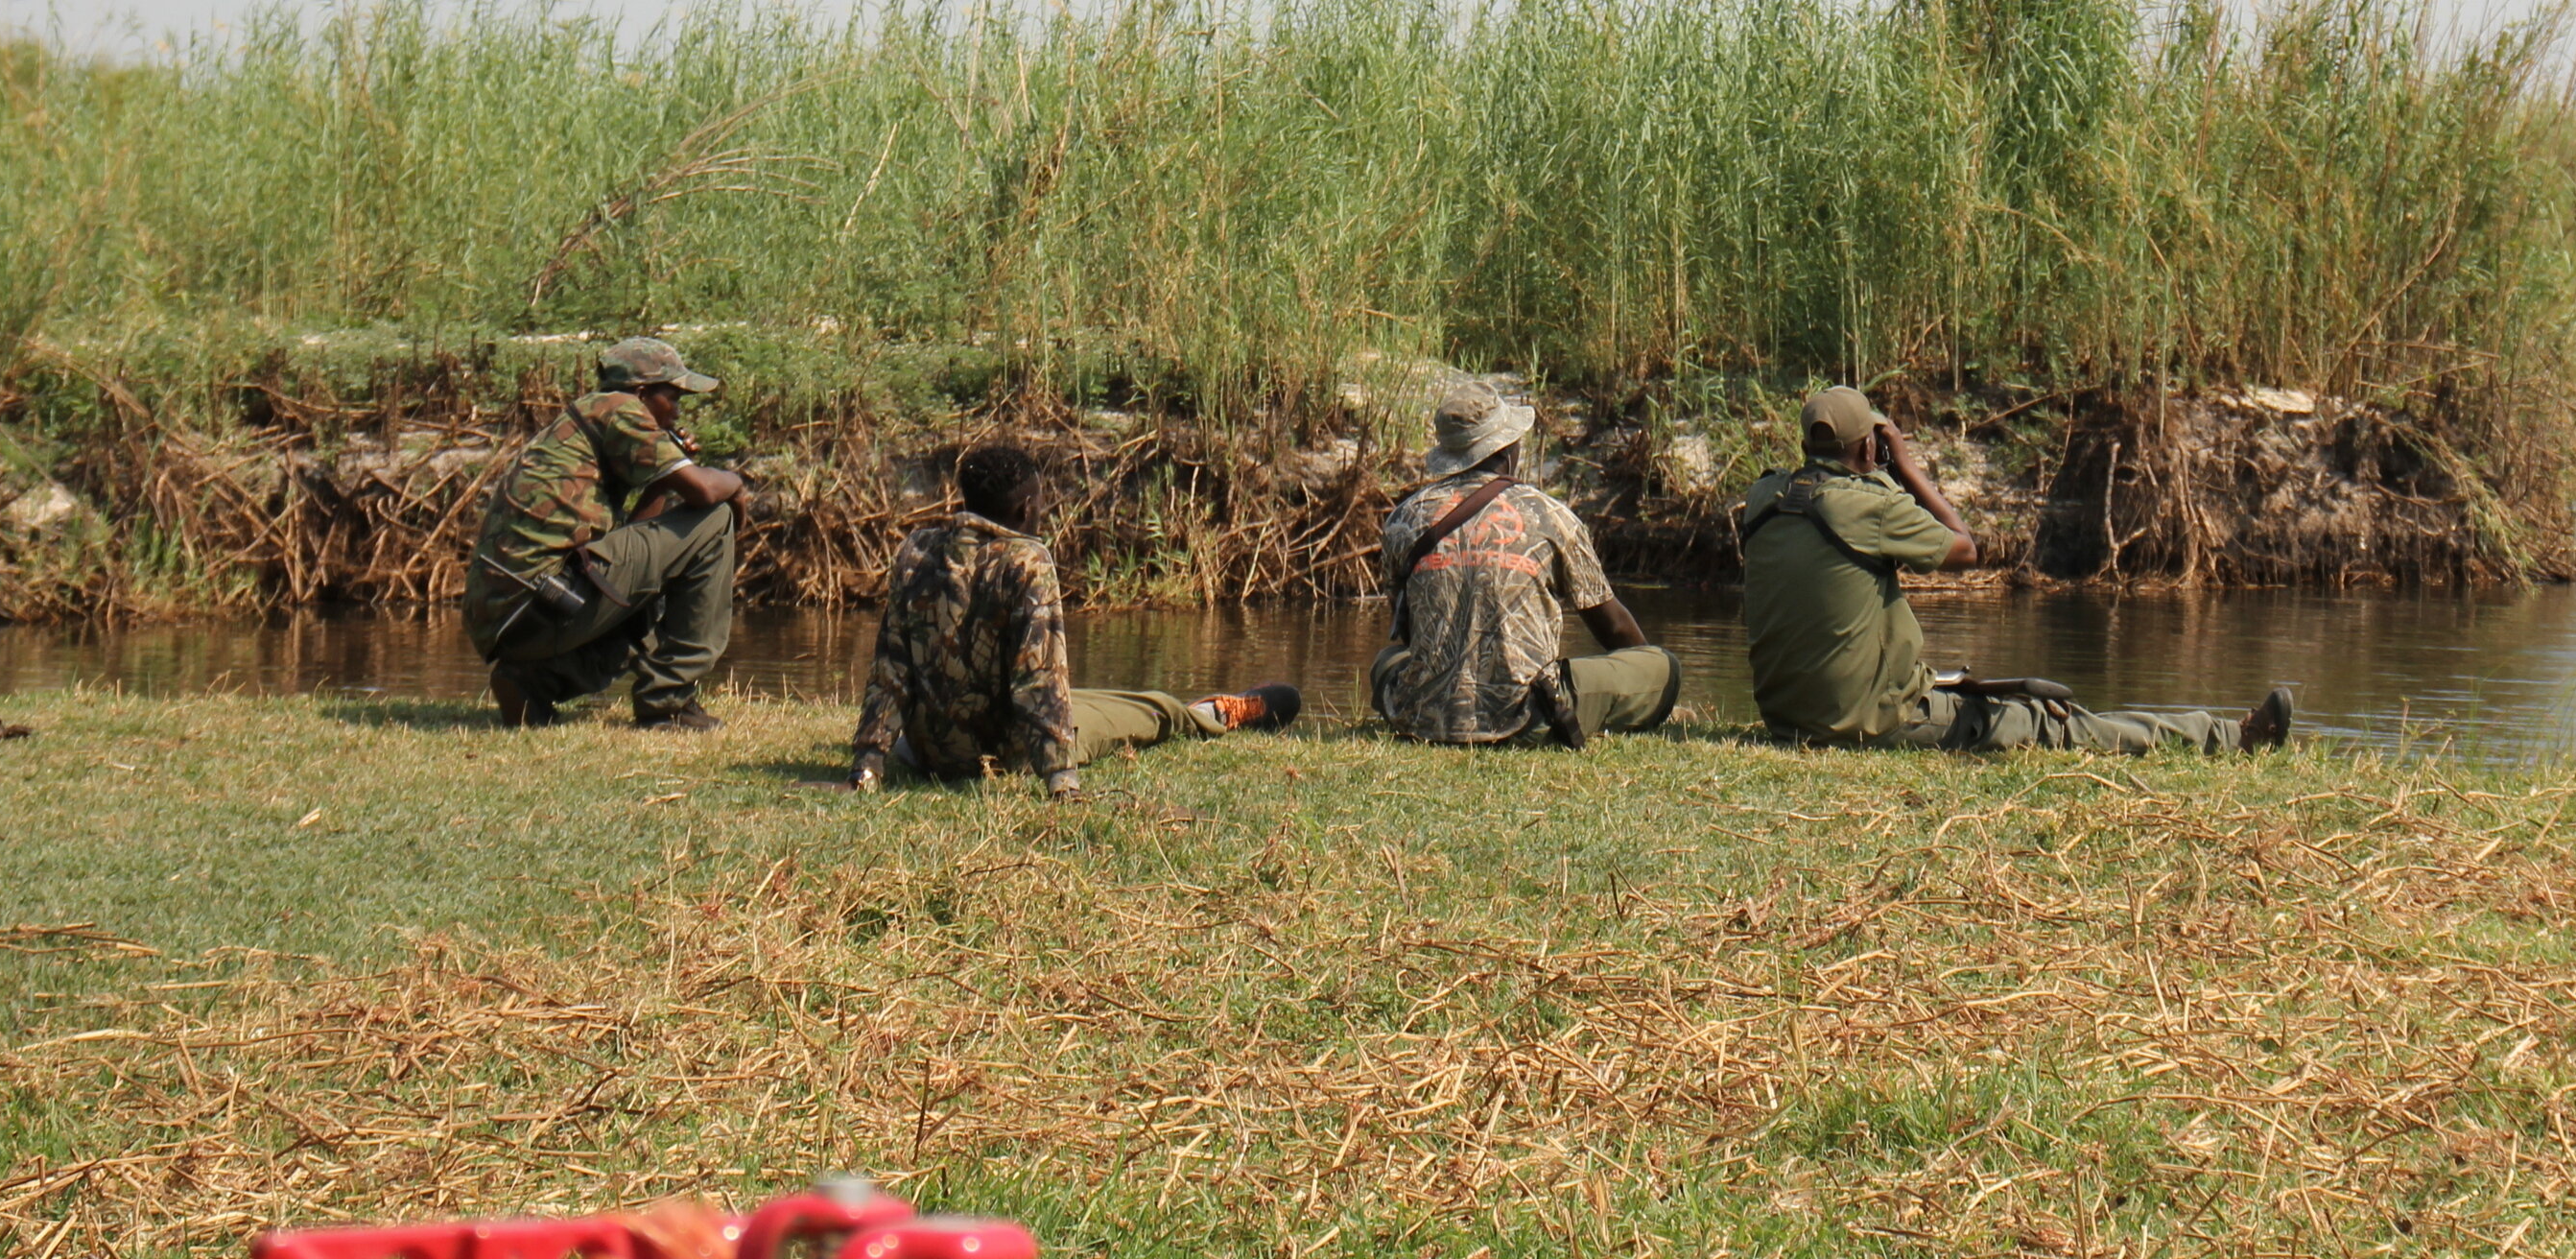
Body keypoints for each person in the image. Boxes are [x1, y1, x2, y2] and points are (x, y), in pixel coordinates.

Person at [1738, 385, 2293, 755]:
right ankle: (2229, 737)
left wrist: (1868, 469)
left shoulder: (1766, 497)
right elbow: (1964, 549)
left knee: (2004, 697)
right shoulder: (1870, 506)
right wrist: (1903, 466)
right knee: (2055, 722)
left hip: (1787, 718)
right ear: (1867, 446)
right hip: (1866, 723)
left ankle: (2222, 734)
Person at [850, 440, 1303, 796]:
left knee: (1078, 697)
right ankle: (1213, 715)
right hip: (1008, 754)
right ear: (1026, 509)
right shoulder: (1027, 560)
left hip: (929, 751)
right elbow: (1039, 679)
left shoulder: (916, 550)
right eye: (1039, 505)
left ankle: (1200, 710)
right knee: (1152, 709)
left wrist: (867, 764)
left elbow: (890, 667)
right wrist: (1062, 781)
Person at [1366, 379, 1680, 748]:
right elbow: (1612, 626)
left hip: (1424, 717)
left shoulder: (1403, 519)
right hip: (1528, 718)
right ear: (1507, 449)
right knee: (1663, 666)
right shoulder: (1550, 515)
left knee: (1387, 660)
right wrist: (1641, 656)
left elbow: (1411, 632)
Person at [462, 335, 745, 731]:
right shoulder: (621, 409)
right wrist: (736, 482)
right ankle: (668, 704)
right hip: (542, 600)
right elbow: (704, 491)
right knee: (713, 520)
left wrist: (663, 478)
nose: (678, 409)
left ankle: (531, 682)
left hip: (515, 616)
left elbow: (636, 543)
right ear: (643, 393)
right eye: (674, 396)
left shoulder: (585, 419)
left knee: (648, 579)